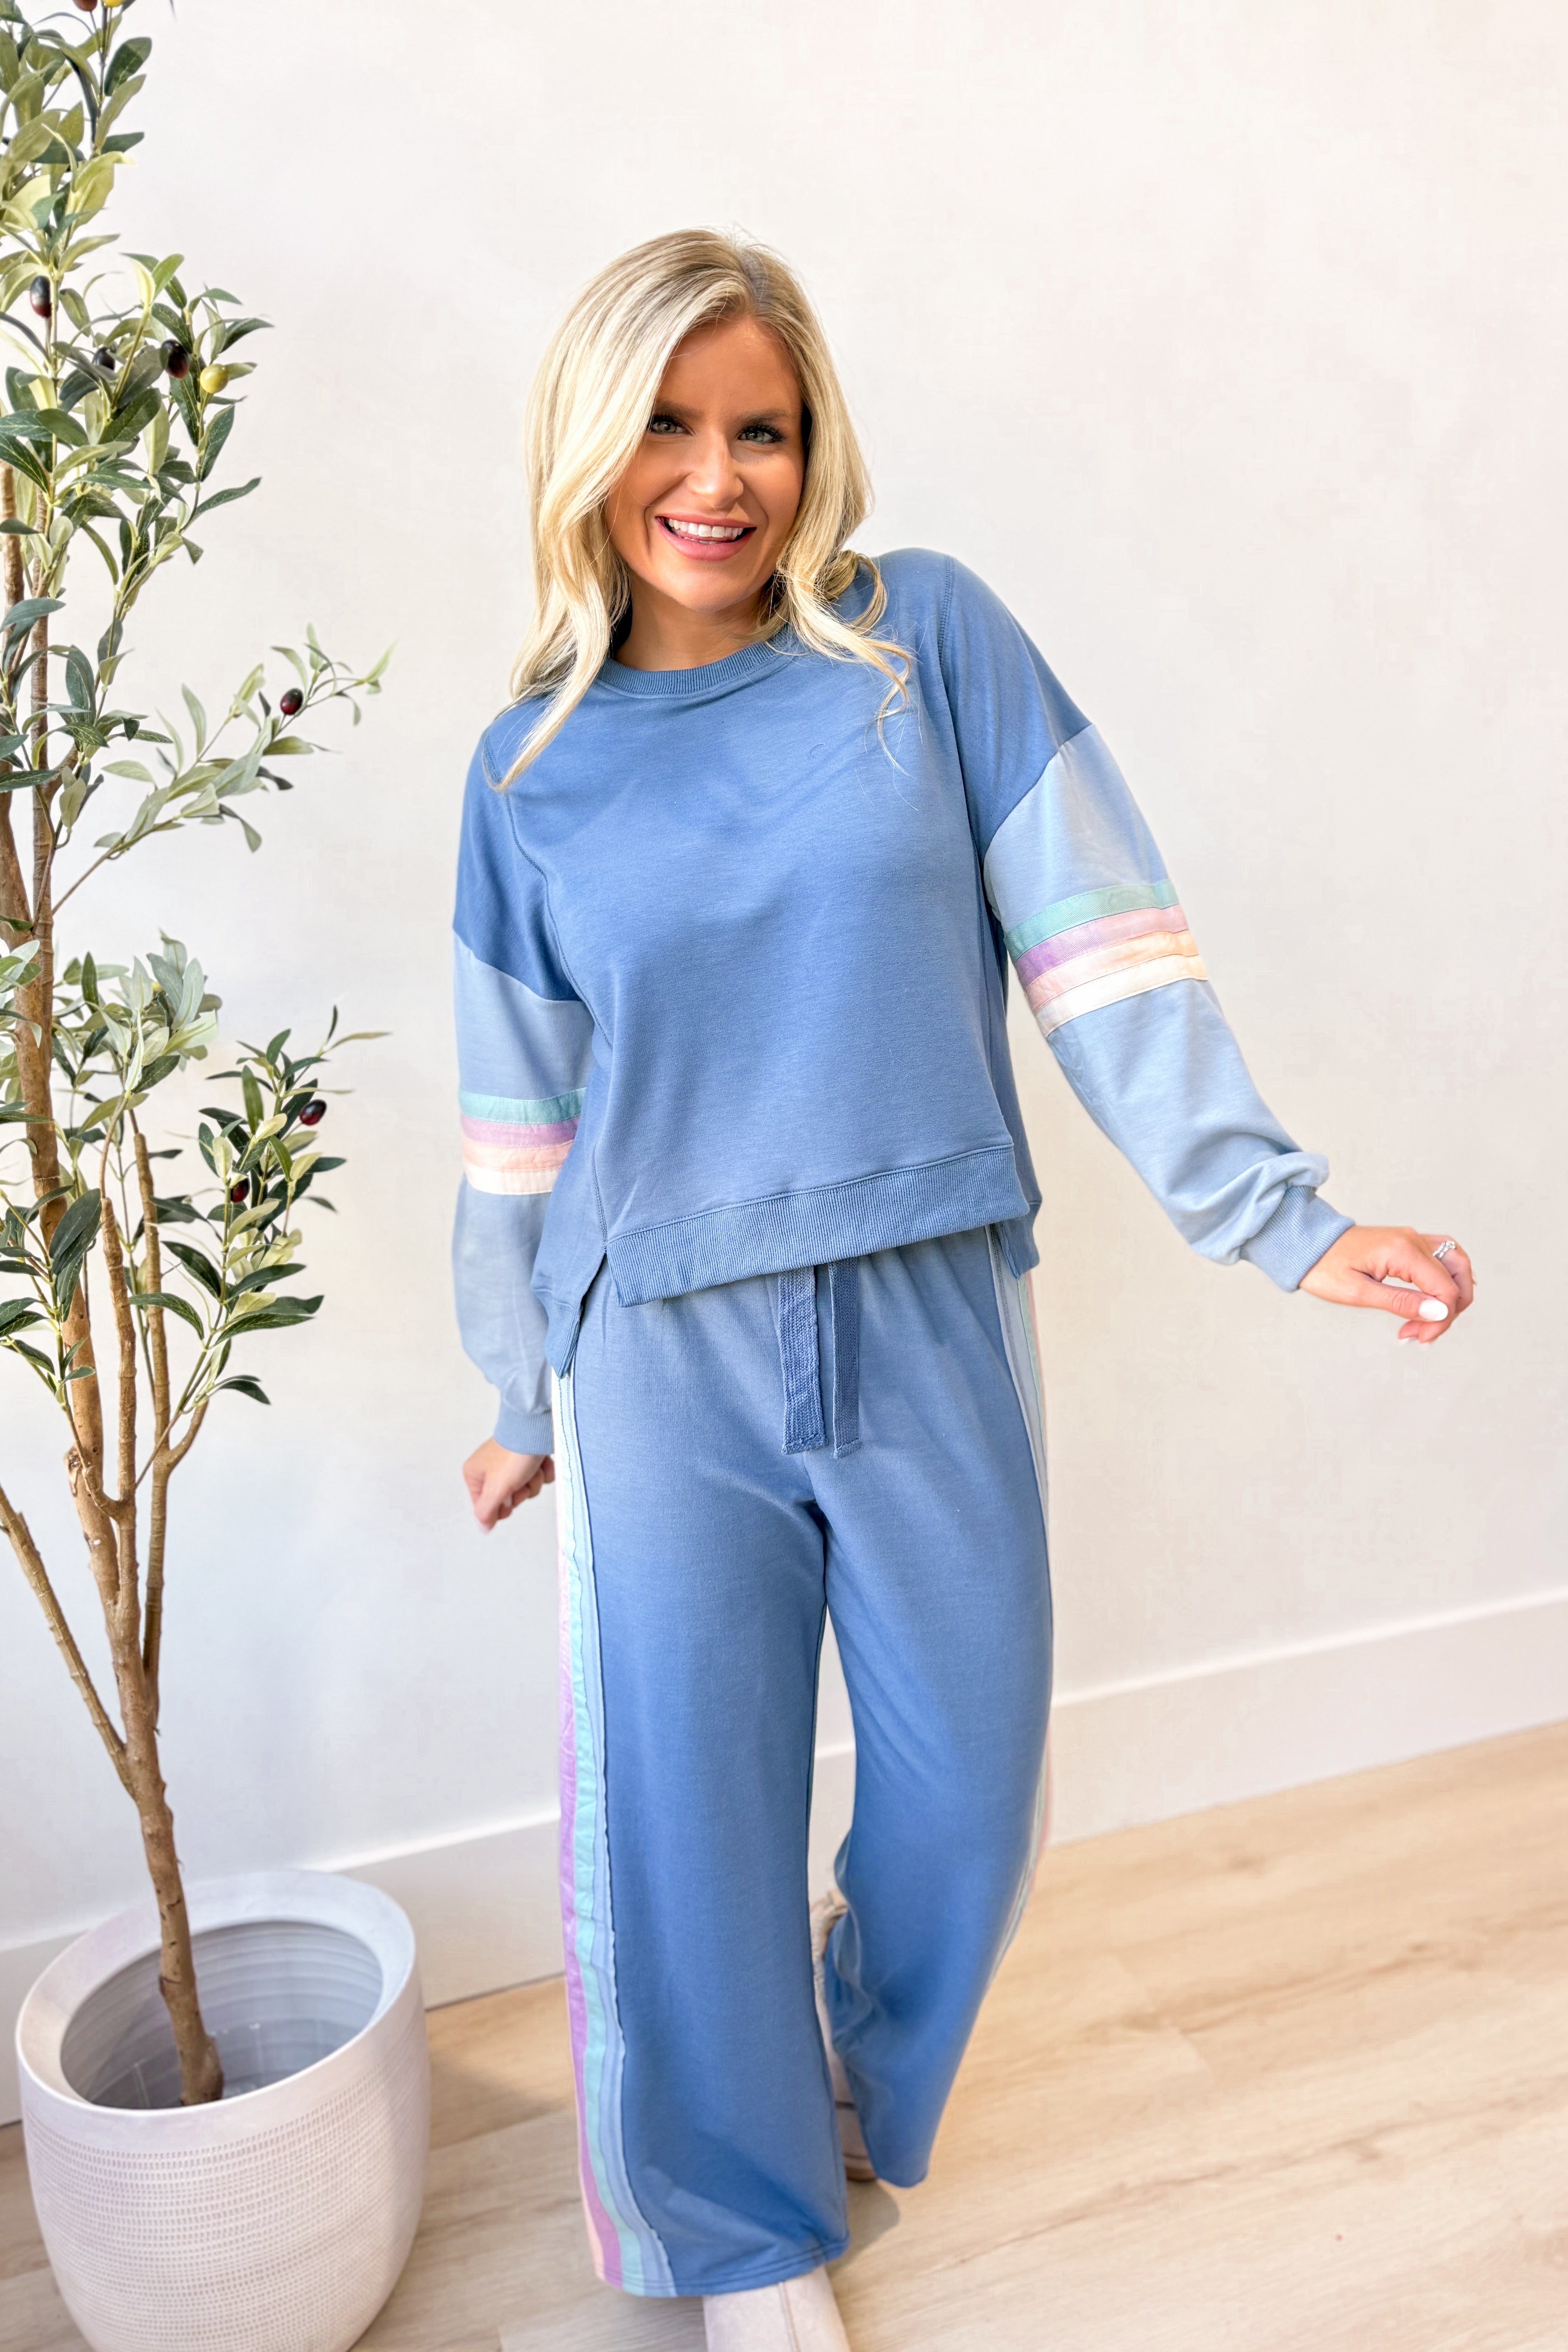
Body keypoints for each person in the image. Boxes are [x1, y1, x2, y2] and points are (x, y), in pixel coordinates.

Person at [451, 230, 1473, 2352]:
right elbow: (519, 1123)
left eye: (761, 428)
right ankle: (749, 2241)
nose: (716, 476)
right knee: (691, 1812)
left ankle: (839, 2071)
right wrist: (521, 1387)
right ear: (590, 444)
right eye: (667, 424)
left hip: (927, 1300)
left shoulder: (926, 642)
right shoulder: (530, 769)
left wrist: (1283, 1217)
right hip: (658, 1347)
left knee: (970, 1791)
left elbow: (1105, 946)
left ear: (814, 444)